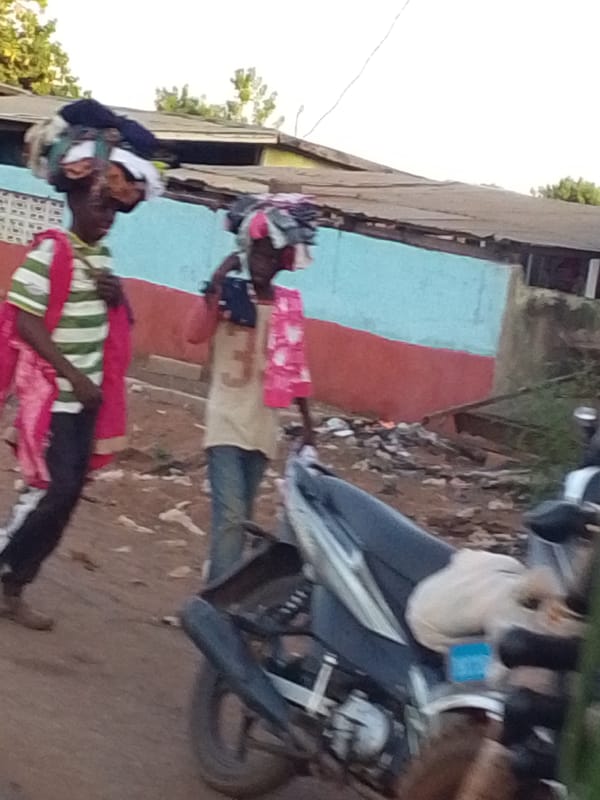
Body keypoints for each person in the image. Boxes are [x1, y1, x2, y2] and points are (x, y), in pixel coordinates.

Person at [0, 99, 164, 629]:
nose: (108, 216)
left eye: (115, 210)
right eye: (100, 205)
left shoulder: (102, 259)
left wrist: (115, 297)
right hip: (56, 399)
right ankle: (9, 572)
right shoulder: (50, 252)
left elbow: (113, 323)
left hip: (85, 401)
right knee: (55, 493)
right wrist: (73, 376)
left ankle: (14, 582)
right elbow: (24, 320)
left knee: (60, 498)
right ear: (73, 197)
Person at [187, 193, 317, 581]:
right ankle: (218, 604)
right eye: (255, 254)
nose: (260, 262)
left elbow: (296, 366)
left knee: (240, 516)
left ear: (281, 262)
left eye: (269, 256)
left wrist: (309, 424)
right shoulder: (230, 296)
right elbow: (192, 334)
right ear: (245, 252)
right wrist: (215, 281)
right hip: (225, 421)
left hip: (264, 426)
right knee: (229, 515)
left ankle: (218, 589)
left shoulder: (288, 305)